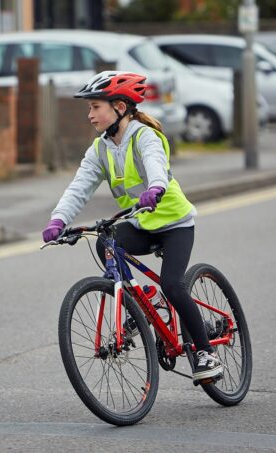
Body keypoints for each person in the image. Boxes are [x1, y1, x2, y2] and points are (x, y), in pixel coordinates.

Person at [41, 71, 223, 382]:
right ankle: (144, 300)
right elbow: (79, 187)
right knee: (105, 242)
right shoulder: (100, 148)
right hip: (141, 223)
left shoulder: (144, 136)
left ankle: (206, 353)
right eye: (89, 108)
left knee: (174, 285)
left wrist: (156, 187)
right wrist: (59, 219)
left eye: (96, 107)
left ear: (121, 107)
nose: (90, 115)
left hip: (174, 224)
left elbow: (155, 163)